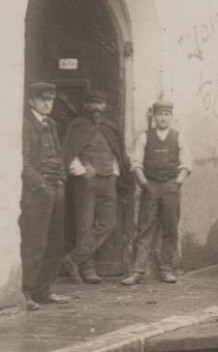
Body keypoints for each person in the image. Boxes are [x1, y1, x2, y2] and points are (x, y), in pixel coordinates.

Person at [61, 90, 132, 284]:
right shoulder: (78, 125)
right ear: (86, 105)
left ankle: (73, 259)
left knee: (108, 223)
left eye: (100, 103)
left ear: (105, 106)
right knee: (85, 225)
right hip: (85, 183)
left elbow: (117, 152)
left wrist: (115, 173)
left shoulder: (110, 127)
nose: (96, 107)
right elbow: (69, 153)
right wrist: (82, 172)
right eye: (92, 103)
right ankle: (88, 269)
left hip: (108, 180)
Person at [122, 99, 192, 285]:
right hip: (150, 187)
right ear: (154, 116)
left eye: (166, 114)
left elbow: (186, 165)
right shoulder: (144, 137)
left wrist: (176, 184)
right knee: (144, 228)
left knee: (170, 228)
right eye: (159, 114)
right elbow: (136, 165)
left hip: (170, 186)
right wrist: (145, 186)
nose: (163, 118)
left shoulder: (178, 137)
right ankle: (137, 271)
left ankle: (166, 269)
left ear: (171, 116)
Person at [20, 82, 70, 310]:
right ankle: (27, 291)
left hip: (55, 189)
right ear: (31, 101)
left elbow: (59, 155)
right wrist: (40, 185)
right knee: (35, 242)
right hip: (37, 192)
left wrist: (60, 180)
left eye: (50, 99)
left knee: (55, 242)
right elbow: (24, 161)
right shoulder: (25, 126)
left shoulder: (52, 124)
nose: (48, 103)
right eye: (42, 99)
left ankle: (44, 289)